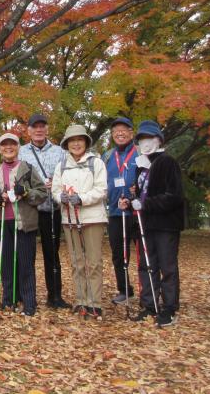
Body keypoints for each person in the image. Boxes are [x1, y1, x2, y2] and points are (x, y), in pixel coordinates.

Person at [119, 120, 185, 328]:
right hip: (145, 224)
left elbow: (173, 196)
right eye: (141, 139)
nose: (146, 143)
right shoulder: (141, 166)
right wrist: (130, 202)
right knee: (147, 264)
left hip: (165, 224)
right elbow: (141, 195)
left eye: (150, 138)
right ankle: (149, 303)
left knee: (167, 265)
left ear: (158, 140)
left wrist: (145, 204)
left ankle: (169, 307)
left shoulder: (167, 162)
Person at [0, 133, 47, 316]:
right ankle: (8, 299)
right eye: (4, 145)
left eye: (12, 144)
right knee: (7, 264)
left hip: (24, 223)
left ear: (18, 147)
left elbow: (42, 193)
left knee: (25, 263)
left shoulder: (27, 168)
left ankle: (28, 302)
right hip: (3, 222)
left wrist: (25, 192)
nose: (8, 148)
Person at [52, 124, 108, 320]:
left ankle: (95, 302)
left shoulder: (96, 163)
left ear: (85, 142)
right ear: (67, 144)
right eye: (72, 140)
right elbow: (55, 190)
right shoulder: (62, 165)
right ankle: (80, 299)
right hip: (69, 219)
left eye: (79, 139)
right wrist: (62, 198)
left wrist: (82, 198)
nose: (76, 143)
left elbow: (102, 190)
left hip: (93, 218)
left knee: (93, 261)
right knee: (76, 262)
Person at [18, 113, 69, 309]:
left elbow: (67, 176)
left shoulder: (60, 152)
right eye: (35, 127)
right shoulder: (21, 152)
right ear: (28, 130)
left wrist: (55, 184)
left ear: (47, 129)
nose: (39, 130)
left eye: (42, 126)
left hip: (51, 208)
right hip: (29, 208)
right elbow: (17, 179)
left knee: (51, 253)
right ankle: (24, 294)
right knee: (25, 254)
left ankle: (55, 295)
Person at [103, 117, 139, 305]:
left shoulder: (140, 153)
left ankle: (148, 290)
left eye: (124, 129)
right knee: (118, 253)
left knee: (143, 252)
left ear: (131, 133)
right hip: (116, 212)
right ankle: (125, 289)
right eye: (116, 130)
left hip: (139, 211)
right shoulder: (107, 156)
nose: (120, 133)